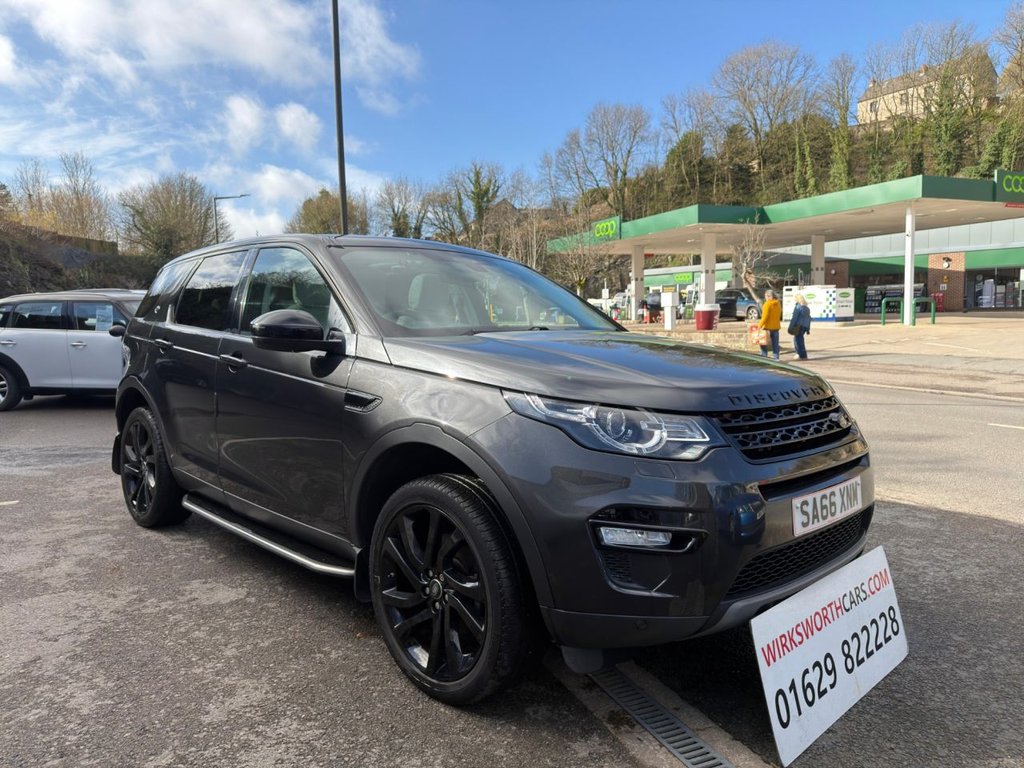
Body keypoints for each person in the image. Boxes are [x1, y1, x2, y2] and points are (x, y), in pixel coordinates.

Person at [758, 289, 782, 359]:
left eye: (766, 296)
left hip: (767, 327)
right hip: (776, 327)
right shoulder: (778, 303)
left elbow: (764, 317)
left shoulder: (767, 304)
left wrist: (759, 326)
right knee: (775, 344)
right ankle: (776, 358)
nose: (765, 297)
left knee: (762, 342)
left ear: (768, 296)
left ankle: (764, 356)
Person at [789, 293, 812, 359]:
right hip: (804, 326)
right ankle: (803, 354)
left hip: (798, 326)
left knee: (797, 340)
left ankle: (799, 354)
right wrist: (808, 329)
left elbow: (794, 318)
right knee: (800, 339)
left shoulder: (798, 307)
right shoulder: (807, 308)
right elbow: (808, 319)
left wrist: (791, 326)